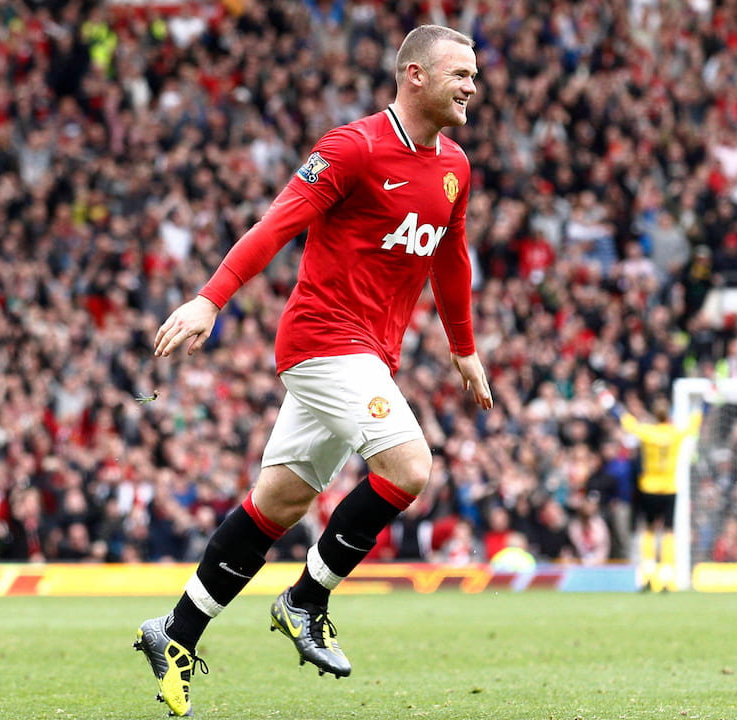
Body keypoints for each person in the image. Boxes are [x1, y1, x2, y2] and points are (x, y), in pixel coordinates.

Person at [133, 26, 492, 717]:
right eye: (459, 73)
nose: (472, 85)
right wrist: (211, 299)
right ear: (414, 76)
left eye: (474, 74)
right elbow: (276, 224)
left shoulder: (455, 167)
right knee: (409, 469)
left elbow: (451, 256)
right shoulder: (351, 148)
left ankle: (175, 632)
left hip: (369, 354)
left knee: (278, 505)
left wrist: (464, 345)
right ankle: (305, 599)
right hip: (324, 341)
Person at [615, 397, 701, 591]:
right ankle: (667, 576)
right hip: (669, 488)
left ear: (654, 415)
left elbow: (626, 421)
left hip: (649, 487)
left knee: (649, 529)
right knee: (669, 531)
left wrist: (612, 402)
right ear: (668, 415)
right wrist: (702, 404)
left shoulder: (647, 432)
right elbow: (694, 423)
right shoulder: (675, 433)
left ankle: (648, 573)